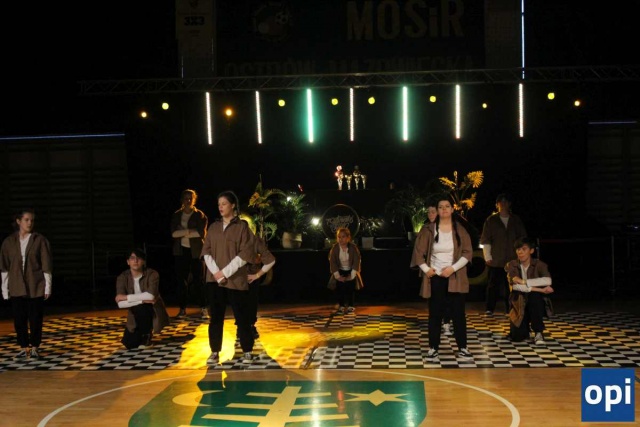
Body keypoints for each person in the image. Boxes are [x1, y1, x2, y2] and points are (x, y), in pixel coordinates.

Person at [411, 195, 473, 361]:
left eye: (447, 206)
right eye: (441, 207)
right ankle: (433, 348)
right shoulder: (429, 229)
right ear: (437, 211)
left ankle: (463, 347)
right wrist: (427, 269)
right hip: (436, 277)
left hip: (455, 277)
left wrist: (452, 268)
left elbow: (467, 253)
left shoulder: (460, 229)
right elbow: (418, 253)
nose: (444, 209)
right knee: (435, 313)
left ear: (452, 209)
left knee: (458, 313)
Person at [201, 190, 258, 365]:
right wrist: (217, 274)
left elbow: (245, 254)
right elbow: (206, 252)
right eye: (219, 204)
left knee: (242, 317)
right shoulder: (213, 227)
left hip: (235, 279)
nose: (221, 207)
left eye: (224, 204)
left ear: (233, 205)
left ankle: (247, 350)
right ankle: (214, 351)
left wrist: (224, 273)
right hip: (215, 280)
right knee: (215, 318)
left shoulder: (242, 227)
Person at [0, 208, 52, 360]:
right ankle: (23, 347)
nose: (30, 223)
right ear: (18, 221)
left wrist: (47, 287)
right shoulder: (9, 242)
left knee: (35, 318)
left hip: (35, 285)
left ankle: (35, 347)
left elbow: (46, 265)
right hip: (17, 286)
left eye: (32, 220)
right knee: (19, 319)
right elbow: (4, 267)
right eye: (26, 220)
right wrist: (4, 289)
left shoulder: (39, 240)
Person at [480, 193, 527, 316]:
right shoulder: (491, 220)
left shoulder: (515, 220)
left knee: (511, 285)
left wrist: (522, 256)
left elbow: (522, 239)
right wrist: (487, 256)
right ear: (497, 204)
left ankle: (510, 308)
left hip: (512, 258)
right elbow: (486, 239)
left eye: (506, 201)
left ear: (509, 204)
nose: (503, 204)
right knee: (492, 285)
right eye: (501, 201)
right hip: (496, 258)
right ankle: (489, 308)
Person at [115, 248, 170, 349]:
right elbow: (120, 303)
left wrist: (126, 297)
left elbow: (151, 296)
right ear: (128, 262)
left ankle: (146, 335)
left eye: (139, 258)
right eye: (132, 258)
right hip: (134, 312)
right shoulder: (122, 277)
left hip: (151, 309)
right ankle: (141, 335)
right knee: (129, 344)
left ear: (143, 261)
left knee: (142, 307)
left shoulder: (152, 274)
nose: (135, 261)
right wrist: (141, 300)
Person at [506, 237, 553, 345]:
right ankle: (524, 330)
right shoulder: (512, 264)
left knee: (534, 296)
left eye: (524, 249)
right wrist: (541, 289)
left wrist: (524, 281)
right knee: (517, 337)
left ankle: (538, 332)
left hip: (534, 299)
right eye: (518, 249)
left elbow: (548, 280)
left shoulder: (539, 264)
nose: (520, 252)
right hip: (518, 300)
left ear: (531, 251)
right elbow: (515, 287)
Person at [170, 189, 209, 318]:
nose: (188, 200)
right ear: (182, 200)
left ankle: (203, 308)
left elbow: (201, 233)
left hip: (196, 252)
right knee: (182, 281)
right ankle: (182, 309)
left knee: (199, 281)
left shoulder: (199, 215)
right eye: (185, 198)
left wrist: (183, 231)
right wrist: (190, 231)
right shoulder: (177, 215)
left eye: (190, 198)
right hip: (181, 251)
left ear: (194, 200)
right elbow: (174, 233)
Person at [328, 227, 364, 314]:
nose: (341, 239)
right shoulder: (335, 248)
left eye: (343, 237)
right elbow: (332, 262)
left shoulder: (353, 248)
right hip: (340, 270)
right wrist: (338, 276)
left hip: (351, 270)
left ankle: (351, 305)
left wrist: (351, 275)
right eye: (339, 237)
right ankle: (341, 305)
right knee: (340, 288)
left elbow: (356, 261)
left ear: (348, 238)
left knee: (350, 288)